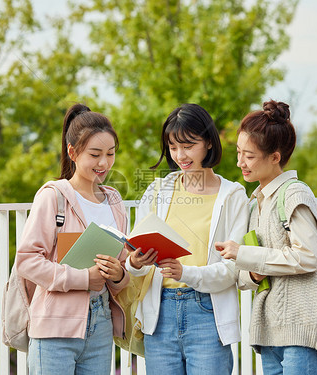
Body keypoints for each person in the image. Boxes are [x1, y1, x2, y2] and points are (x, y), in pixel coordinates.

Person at [215, 100, 317, 375]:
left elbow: (308, 257)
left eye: (249, 156)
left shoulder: (294, 194)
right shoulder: (253, 203)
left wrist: (243, 254)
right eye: (238, 153)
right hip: (270, 331)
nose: (240, 163)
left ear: (275, 157)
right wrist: (253, 273)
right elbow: (247, 276)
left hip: (303, 326)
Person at [125, 103, 250, 374]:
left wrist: (186, 272)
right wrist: (135, 262)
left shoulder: (232, 196)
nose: (180, 155)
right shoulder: (157, 190)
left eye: (188, 145)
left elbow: (233, 268)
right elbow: (136, 261)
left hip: (207, 312)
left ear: (208, 143)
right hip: (159, 314)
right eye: (173, 147)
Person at [16, 103, 130, 375]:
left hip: (101, 324)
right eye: (95, 154)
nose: (104, 163)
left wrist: (118, 275)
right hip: (55, 325)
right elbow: (27, 261)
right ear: (72, 152)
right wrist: (83, 279)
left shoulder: (114, 200)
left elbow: (123, 266)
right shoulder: (53, 196)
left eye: (110, 154)